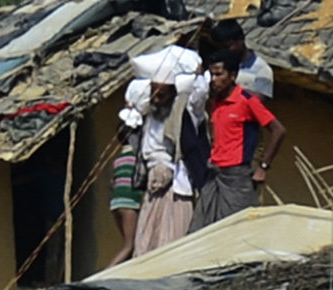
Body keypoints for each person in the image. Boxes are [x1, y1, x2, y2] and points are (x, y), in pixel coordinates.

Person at [193, 55, 285, 231]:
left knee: (237, 231)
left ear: (233, 76)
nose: (214, 80)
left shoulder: (247, 100)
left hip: (237, 176)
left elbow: (278, 130)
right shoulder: (216, 102)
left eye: (219, 74)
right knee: (201, 229)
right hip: (214, 174)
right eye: (211, 75)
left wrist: (263, 167)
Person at [136, 63, 203, 255]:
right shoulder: (150, 114)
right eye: (153, 94)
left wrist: (197, 78)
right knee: (146, 239)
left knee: (171, 239)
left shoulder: (182, 112)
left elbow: (198, 100)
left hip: (175, 185)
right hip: (153, 183)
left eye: (162, 95)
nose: (156, 99)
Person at [105, 98, 144, 268]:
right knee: (130, 245)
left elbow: (113, 183)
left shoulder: (118, 159)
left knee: (127, 245)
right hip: (130, 202)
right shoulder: (137, 158)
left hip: (116, 203)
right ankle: (104, 274)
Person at [211, 17, 275, 98]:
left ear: (240, 39)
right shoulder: (221, 66)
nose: (225, 51)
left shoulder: (262, 69)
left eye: (228, 46)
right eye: (221, 48)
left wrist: (231, 89)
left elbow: (258, 102)